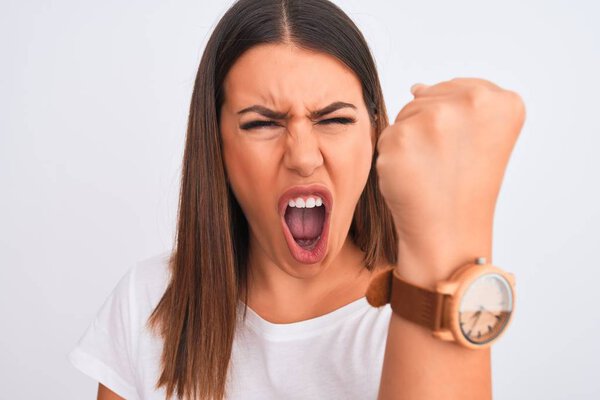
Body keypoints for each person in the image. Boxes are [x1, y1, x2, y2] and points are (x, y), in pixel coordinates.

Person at [68, 0, 526, 399]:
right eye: (262, 123)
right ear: (216, 145)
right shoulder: (148, 301)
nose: (304, 158)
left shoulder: (415, 316)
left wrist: (452, 229)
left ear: (375, 136)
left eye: (335, 119)